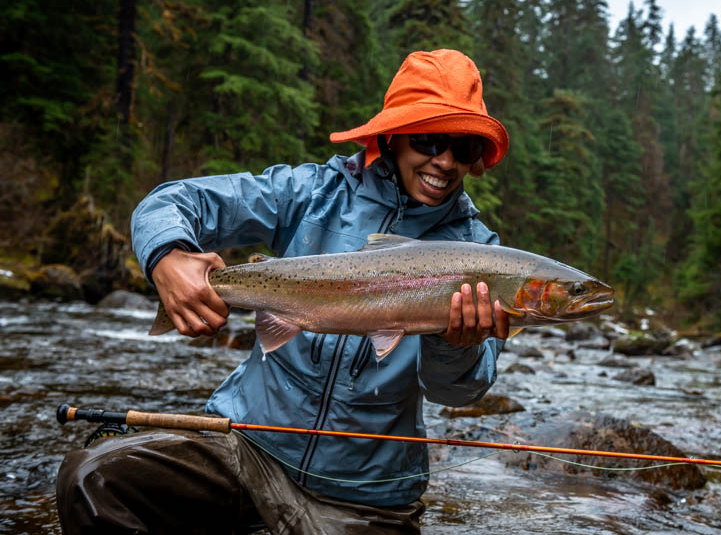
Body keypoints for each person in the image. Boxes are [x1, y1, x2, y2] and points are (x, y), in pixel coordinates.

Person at [56, 49, 511, 534]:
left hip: (367, 500)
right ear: (394, 136)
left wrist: (452, 343)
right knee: (94, 478)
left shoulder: (482, 256)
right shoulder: (313, 193)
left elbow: (456, 392)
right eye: (429, 138)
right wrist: (167, 257)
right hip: (245, 450)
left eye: (462, 148)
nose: (443, 161)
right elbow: (173, 201)